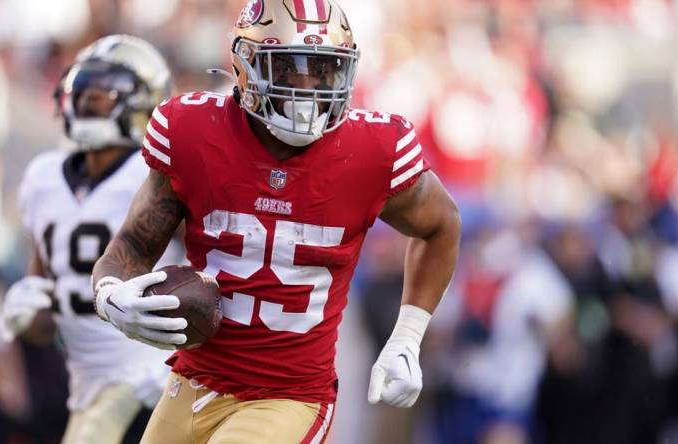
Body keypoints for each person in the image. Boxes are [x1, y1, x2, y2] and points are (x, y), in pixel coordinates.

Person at [92, 1, 462, 442]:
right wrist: (111, 297)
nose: (308, 90)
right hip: (193, 381)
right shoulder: (192, 132)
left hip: (289, 397)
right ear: (246, 65)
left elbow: (441, 224)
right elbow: (133, 244)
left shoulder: (374, 150)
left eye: (323, 71)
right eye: (289, 68)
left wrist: (408, 336)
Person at [2, 34, 180, 444]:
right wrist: (27, 311)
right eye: (81, 94)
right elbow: (48, 318)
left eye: (99, 96)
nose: (85, 105)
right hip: (85, 383)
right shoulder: (42, 178)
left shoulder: (154, 173)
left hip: (157, 377)